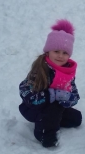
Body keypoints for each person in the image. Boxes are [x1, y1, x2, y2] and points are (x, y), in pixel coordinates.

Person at [19, 20, 82, 148]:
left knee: (76, 119)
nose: (60, 56)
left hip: (57, 108)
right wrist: (52, 95)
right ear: (48, 51)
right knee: (52, 109)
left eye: (65, 53)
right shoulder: (40, 69)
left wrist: (69, 98)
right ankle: (43, 133)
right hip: (34, 108)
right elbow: (26, 93)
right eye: (56, 51)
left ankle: (51, 121)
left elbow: (74, 94)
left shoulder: (67, 71)